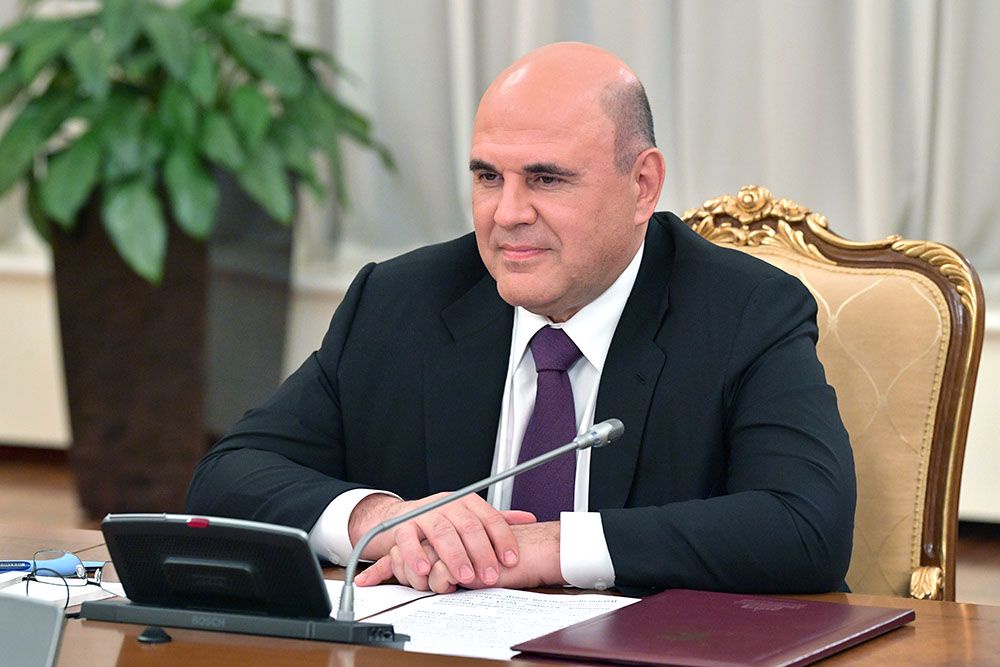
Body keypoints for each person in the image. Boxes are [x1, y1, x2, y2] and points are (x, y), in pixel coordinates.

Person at [186, 42, 856, 596]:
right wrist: (382, 518)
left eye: (546, 179)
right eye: (487, 178)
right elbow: (229, 475)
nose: (506, 215)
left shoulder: (744, 312)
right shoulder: (399, 301)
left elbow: (805, 526)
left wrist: (549, 548)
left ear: (642, 185)